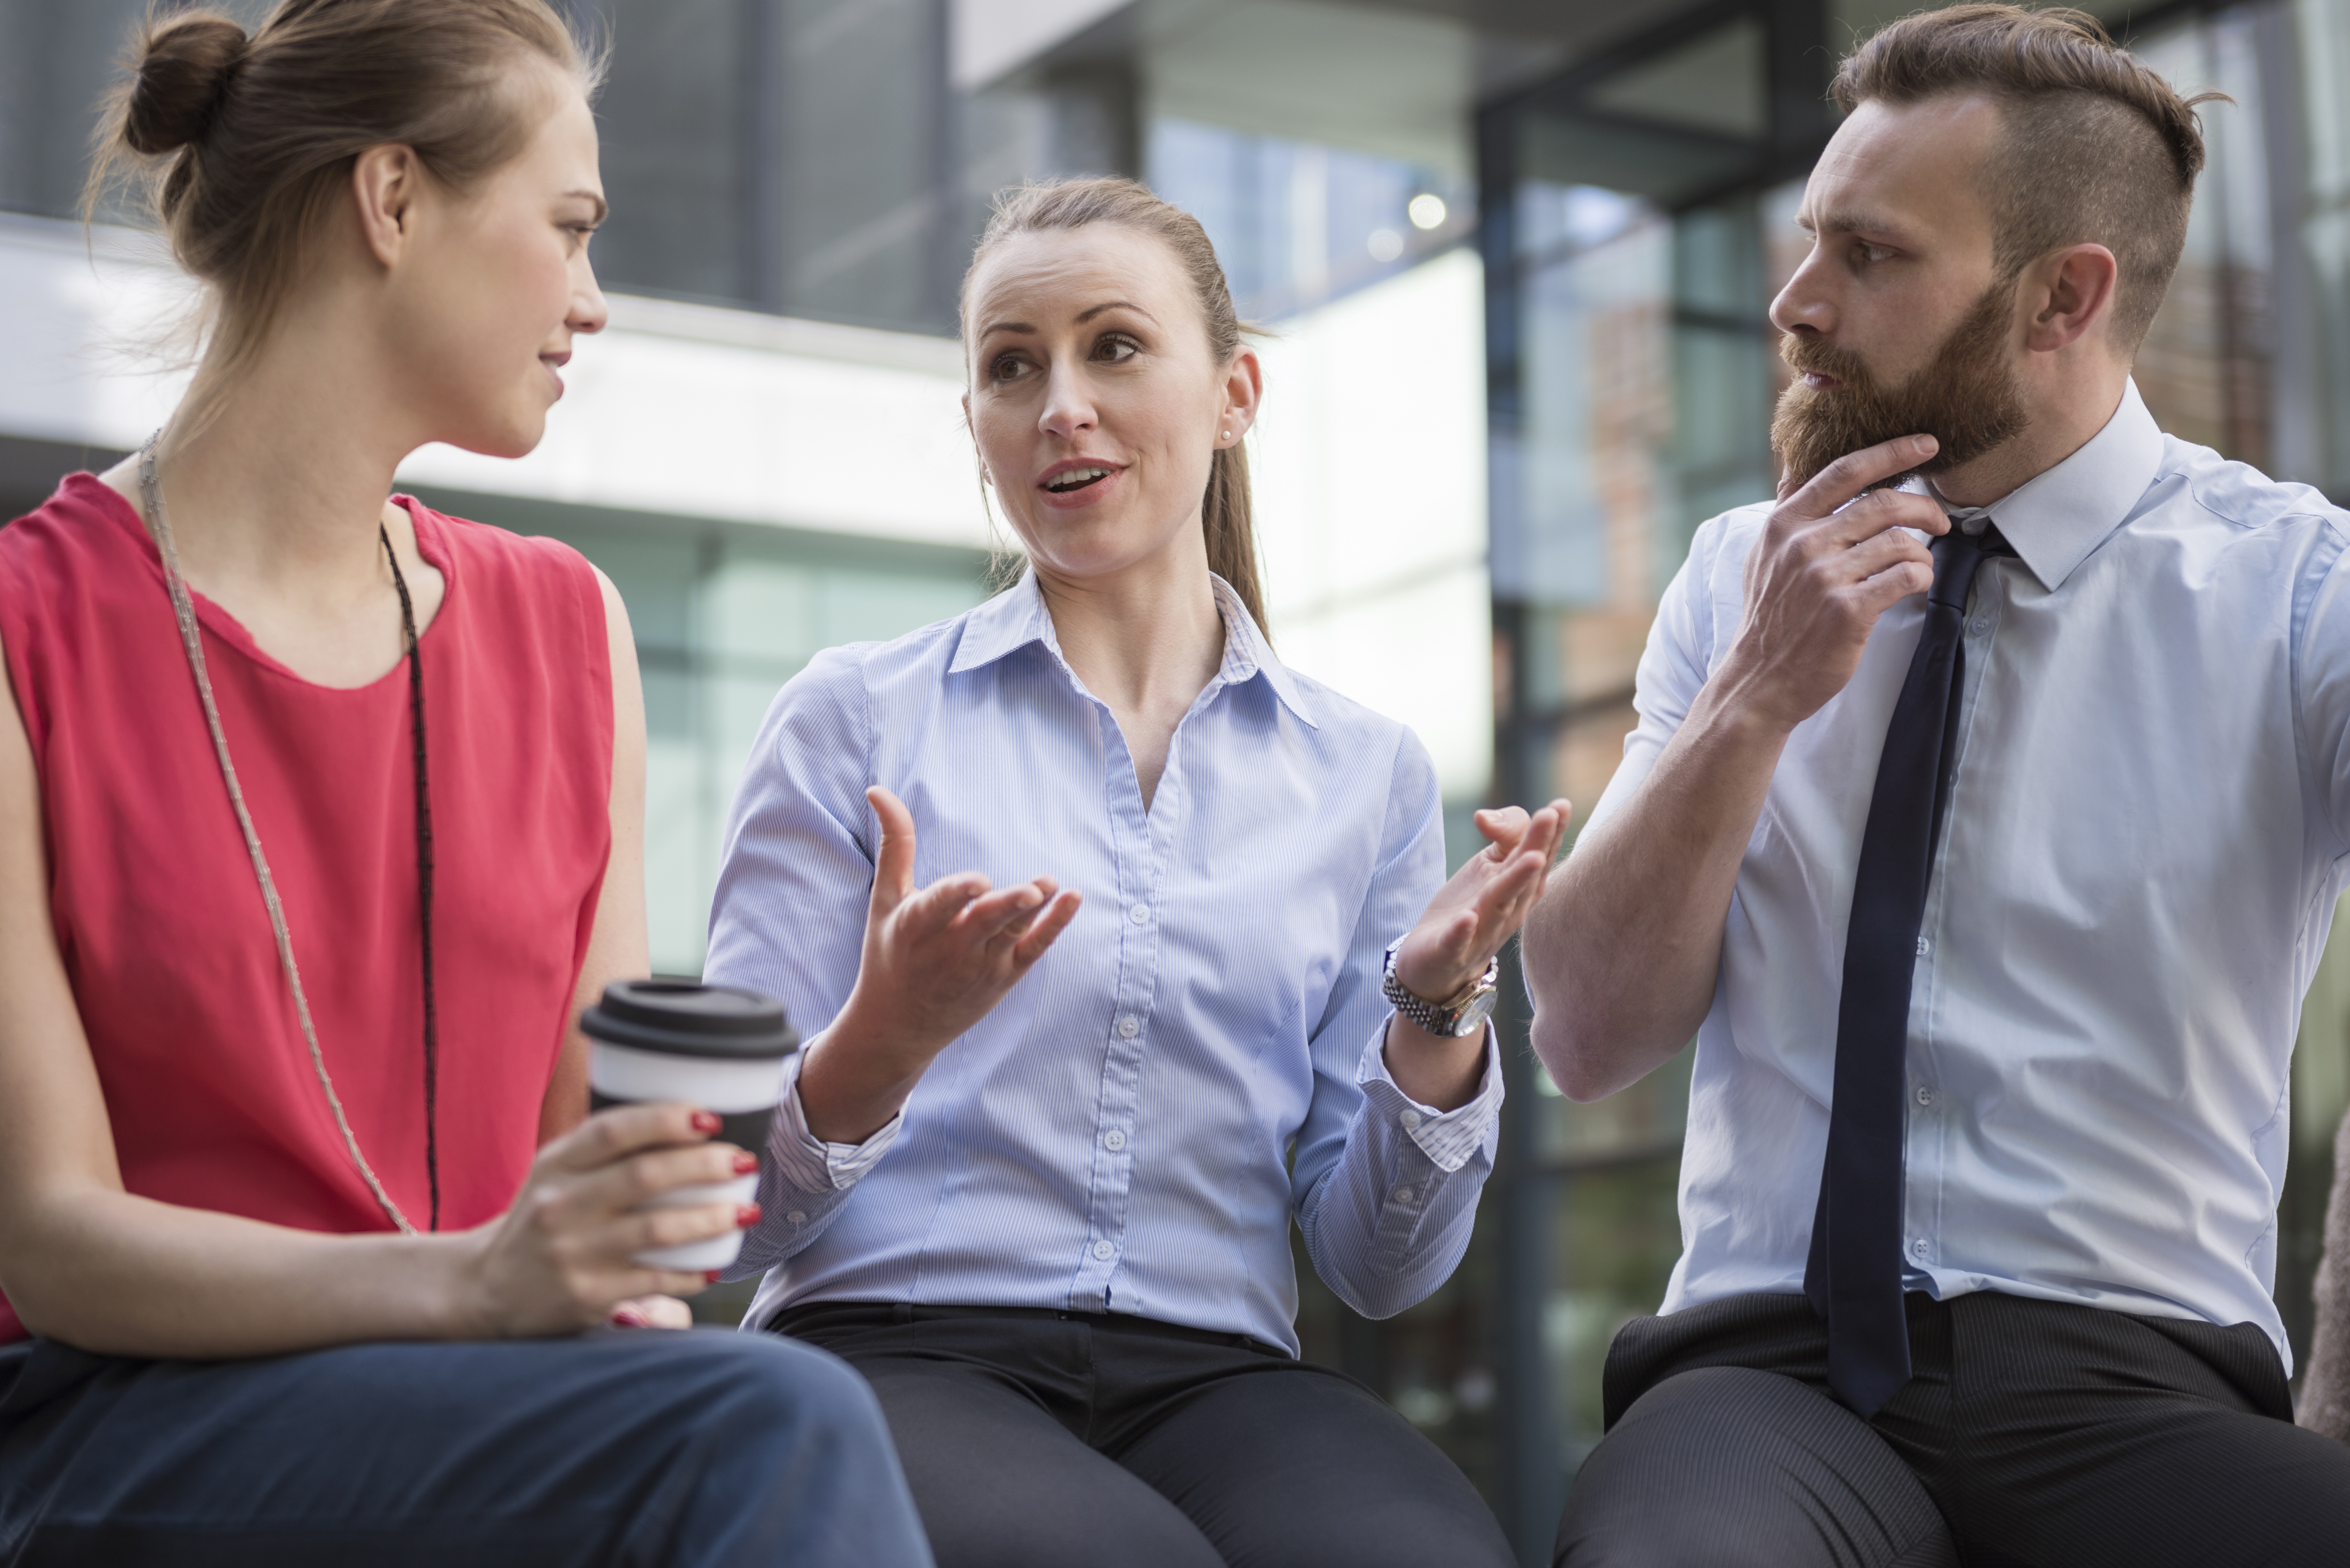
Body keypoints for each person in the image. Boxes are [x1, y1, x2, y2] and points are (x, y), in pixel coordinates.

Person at [0, 4, 930, 1563]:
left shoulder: (570, 630)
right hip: (127, 1421)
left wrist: (836, 1073)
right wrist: (479, 1280)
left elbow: (603, 1174)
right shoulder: (30, 634)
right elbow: (56, 1238)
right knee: (780, 1419)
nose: (593, 301)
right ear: (392, 200)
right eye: (568, 232)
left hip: (490, 1405)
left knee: (765, 1413)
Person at [1524, 7, 2350, 1564]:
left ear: (2063, 297)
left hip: (2135, 1375)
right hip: (1762, 1383)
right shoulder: (1731, 581)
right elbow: (1582, 1034)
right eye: (1806, 242)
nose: (1796, 301)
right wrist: (1756, 698)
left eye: (1869, 255)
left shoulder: (2299, 592)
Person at [704, 175, 1566, 1568]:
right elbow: (725, 1219)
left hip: (1217, 1368)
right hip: (891, 1346)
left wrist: (1432, 1017)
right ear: (975, 422)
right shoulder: (852, 719)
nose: (1060, 405)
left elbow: (1379, 1268)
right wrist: (887, 1036)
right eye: (1010, 366)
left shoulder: (1369, 773)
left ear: (1235, 393)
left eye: (1113, 346)